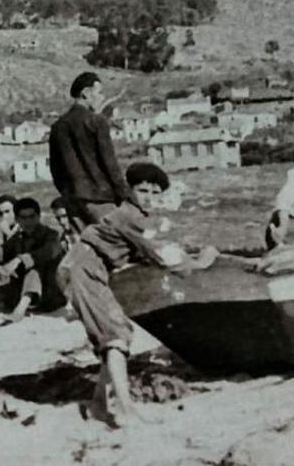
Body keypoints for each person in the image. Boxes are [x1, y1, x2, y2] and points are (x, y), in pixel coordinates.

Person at [58, 162, 218, 427]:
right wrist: (201, 263)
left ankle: (99, 404)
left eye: (156, 194)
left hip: (84, 266)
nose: (150, 198)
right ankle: (124, 410)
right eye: (143, 191)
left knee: (112, 335)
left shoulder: (134, 217)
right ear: (129, 191)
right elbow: (161, 255)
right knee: (116, 334)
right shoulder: (129, 216)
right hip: (83, 268)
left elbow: (146, 251)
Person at [49, 72, 136, 226]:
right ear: (86, 93)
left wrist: (67, 194)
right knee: (118, 244)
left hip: (73, 203)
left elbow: (56, 170)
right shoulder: (97, 121)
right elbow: (111, 165)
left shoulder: (58, 127)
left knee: (88, 246)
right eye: (99, 92)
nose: (102, 97)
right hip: (101, 200)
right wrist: (128, 196)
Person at [0, 198, 65, 323]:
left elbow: (46, 253)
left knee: (34, 268)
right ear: (17, 219)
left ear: (39, 216)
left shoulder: (51, 235)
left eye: (32, 217)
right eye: (23, 218)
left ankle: (19, 312)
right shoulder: (18, 238)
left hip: (50, 294)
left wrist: (18, 260)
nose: (28, 222)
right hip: (21, 292)